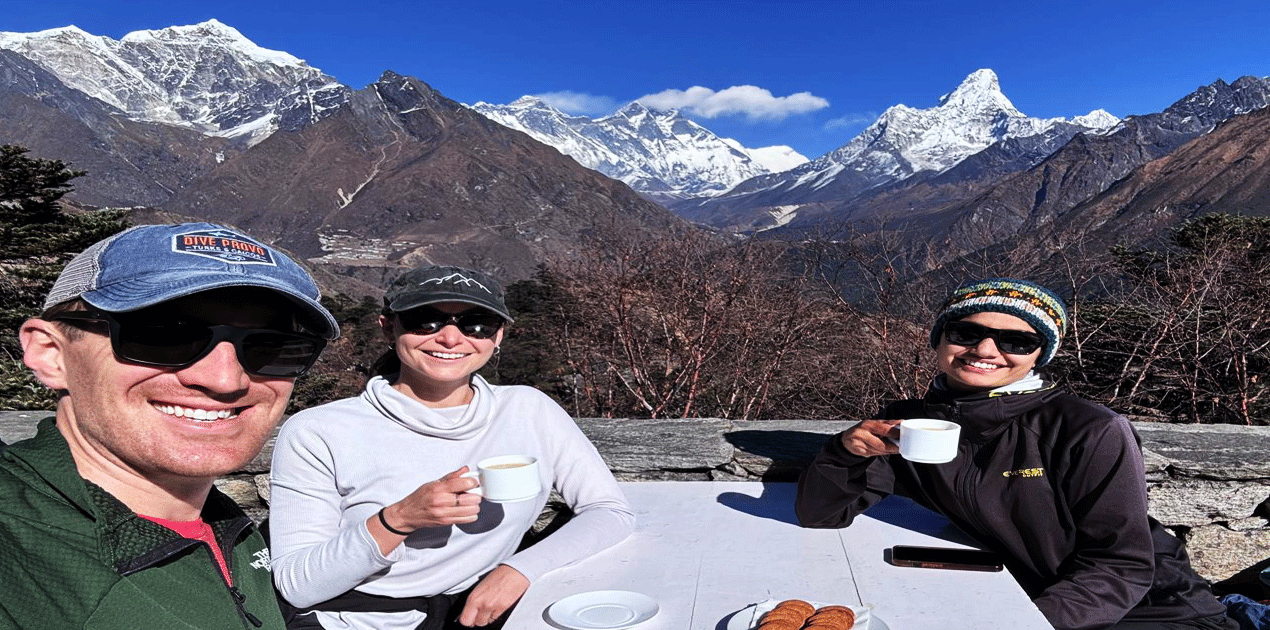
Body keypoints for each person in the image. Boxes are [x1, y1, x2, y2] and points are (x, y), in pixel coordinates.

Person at [796, 278, 1237, 630]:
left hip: (1150, 610)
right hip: (1021, 594)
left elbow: (1120, 565)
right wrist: (844, 452)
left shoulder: (1087, 429)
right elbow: (820, 515)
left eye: (1016, 342)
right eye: (966, 333)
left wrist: (1019, 621)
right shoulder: (908, 424)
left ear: (1040, 354)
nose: (985, 350)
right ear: (939, 339)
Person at [1, 222, 340, 629]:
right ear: (51, 354)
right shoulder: (17, 547)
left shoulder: (222, 523)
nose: (225, 379)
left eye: (271, 346)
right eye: (164, 336)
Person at [268, 265, 634, 630]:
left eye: (476, 324)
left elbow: (608, 510)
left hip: (474, 616)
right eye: (425, 321)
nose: (450, 338)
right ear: (388, 328)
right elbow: (298, 585)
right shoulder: (318, 431)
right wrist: (399, 519)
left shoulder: (529, 410)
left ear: (498, 336)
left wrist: (519, 570)